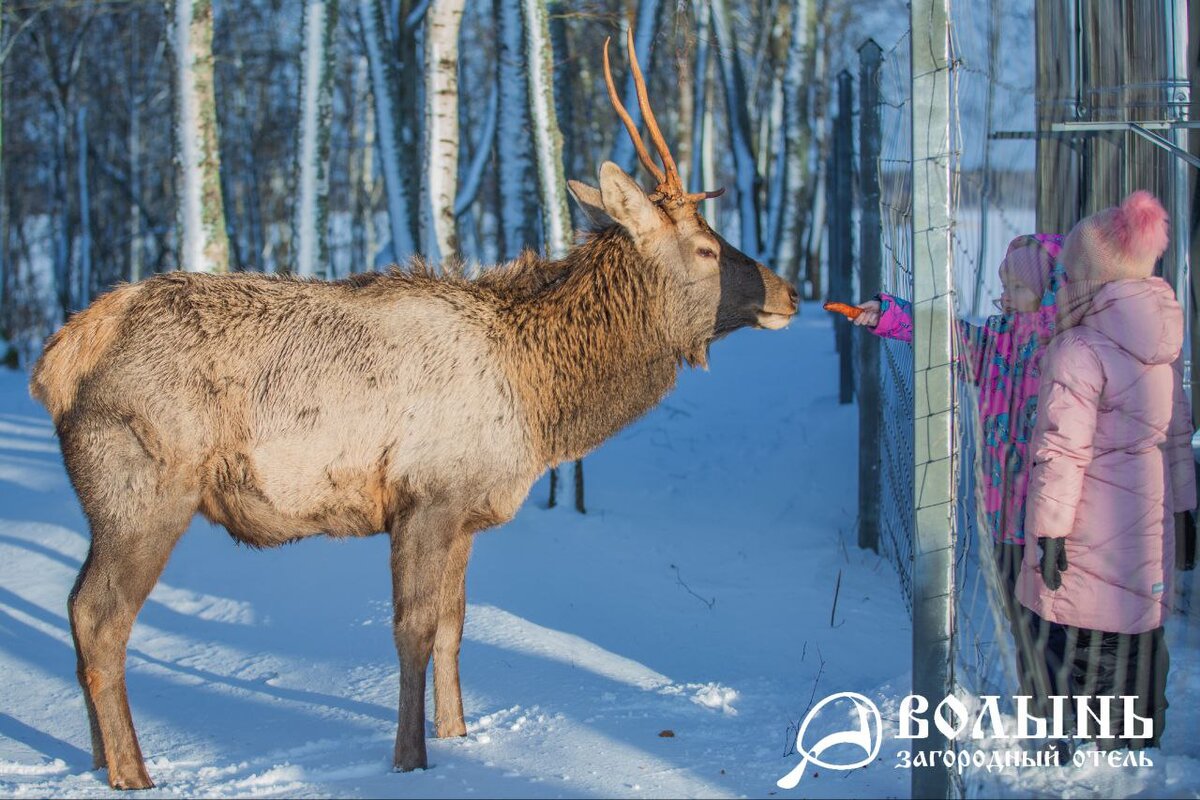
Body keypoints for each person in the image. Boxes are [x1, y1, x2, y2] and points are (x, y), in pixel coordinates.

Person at [849, 234, 1065, 703]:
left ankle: (1067, 708)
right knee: (1019, 615)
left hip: (1052, 518)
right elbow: (950, 338)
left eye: (1017, 287)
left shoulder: (1063, 351)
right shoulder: (998, 340)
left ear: (1048, 291)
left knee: (1056, 619)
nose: (1004, 294)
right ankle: (1039, 701)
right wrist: (890, 316)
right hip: (1004, 513)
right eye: (1003, 283)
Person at [1017, 191, 1196, 751]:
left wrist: (1048, 532)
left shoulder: (1078, 349)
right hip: (1147, 526)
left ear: (1088, 279)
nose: (1062, 286)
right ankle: (1143, 739)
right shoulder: (1162, 349)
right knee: (1141, 633)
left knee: (1087, 636)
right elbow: (1176, 438)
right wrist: (1187, 511)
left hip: (1087, 529)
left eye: (1068, 275)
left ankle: (1098, 758)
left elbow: (1061, 452)